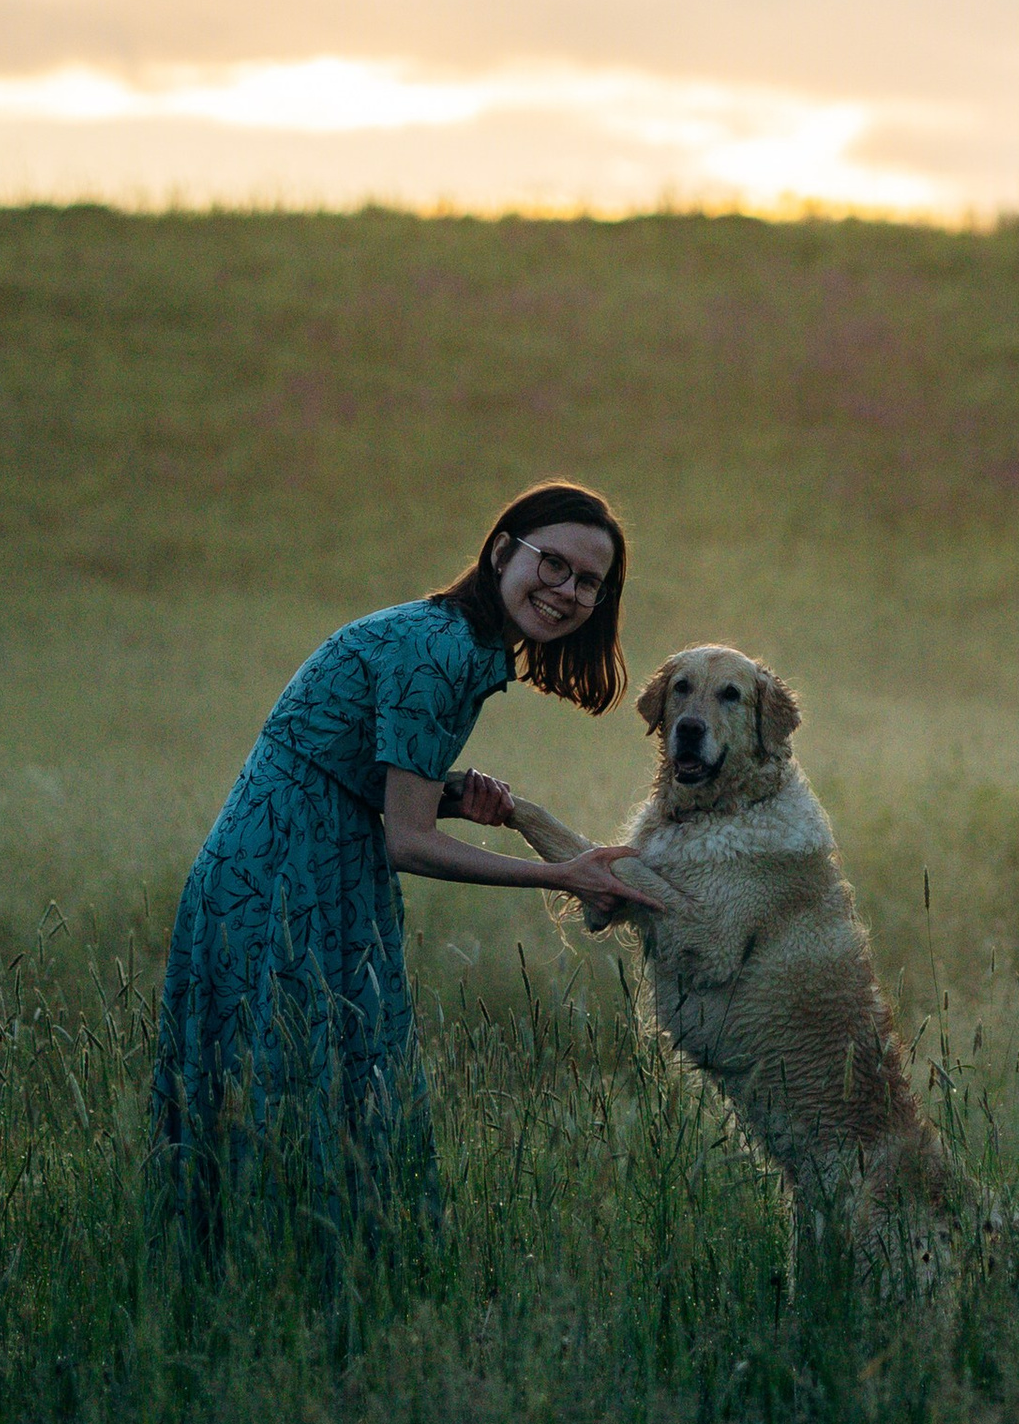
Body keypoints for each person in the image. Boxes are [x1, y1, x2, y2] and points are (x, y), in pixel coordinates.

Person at [151, 480, 659, 1250]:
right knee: (295, 1097)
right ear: (502, 553)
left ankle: (293, 1288)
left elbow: (347, 768)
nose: (566, 591)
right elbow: (408, 841)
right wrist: (561, 875)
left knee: (319, 1095)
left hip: (309, 860)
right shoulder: (441, 650)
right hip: (284, 875)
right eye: (553, 564)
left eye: (589, 582)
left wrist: (456, 796)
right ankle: (284, 1288)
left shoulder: (461, 643)